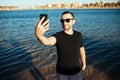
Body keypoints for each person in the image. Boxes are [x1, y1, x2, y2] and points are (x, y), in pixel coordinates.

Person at [35, 11, 86, 80]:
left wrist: (84, 63)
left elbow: (81, 49)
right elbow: (48, 42)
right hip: (62, 73)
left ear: (73, 21)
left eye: (67, 20)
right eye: (62, 21)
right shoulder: (58, 36)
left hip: (76, 71)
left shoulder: (78, 35)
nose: (64, 23)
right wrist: (39, 35)